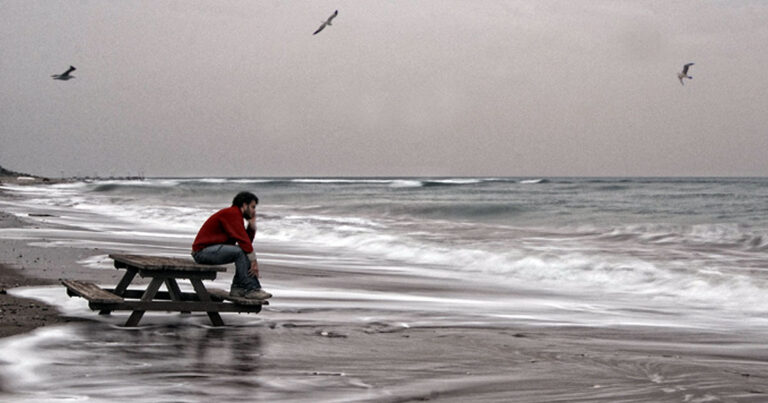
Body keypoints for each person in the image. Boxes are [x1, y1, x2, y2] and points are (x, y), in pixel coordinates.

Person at [192, 191, 272, 300]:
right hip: (202, 252)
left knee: (242, 251)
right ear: (244, 205)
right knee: (240, 252)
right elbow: (244, 242)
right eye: (253, 207)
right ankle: (250, 289)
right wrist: (254, 261)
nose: (254, 211)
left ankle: (238, 288)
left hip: (210, 251)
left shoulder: (235, 215)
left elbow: (246, 242)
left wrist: (252, 226)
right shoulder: (232, 213)